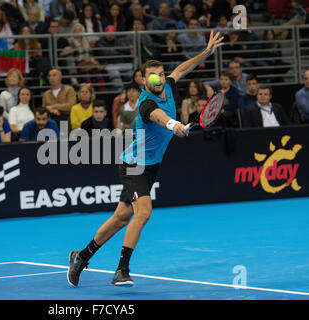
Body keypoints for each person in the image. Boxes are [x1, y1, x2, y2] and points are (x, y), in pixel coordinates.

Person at [67, 30, 224, 288]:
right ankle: (122, 270)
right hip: (133, 165)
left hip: (151, 167)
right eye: (154, 76)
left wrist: (206, 53)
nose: (160, 79)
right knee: (144, 213)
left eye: (162, 74)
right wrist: (174, 125)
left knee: (120, 218)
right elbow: (160, 118)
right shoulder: (145, 104)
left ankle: (81, 257)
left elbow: (182, 69)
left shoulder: (169, 85)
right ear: (144, 81)